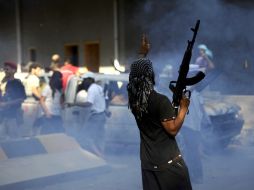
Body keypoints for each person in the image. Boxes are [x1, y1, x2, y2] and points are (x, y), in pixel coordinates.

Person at [127, 58, 192, 190]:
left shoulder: (135, 102)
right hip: (168, 165)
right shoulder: (160, 101)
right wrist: (183, 108)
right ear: (151, 76)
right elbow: (172, 129)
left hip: (148, 165)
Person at [78, 72, 106, 156]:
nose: (83, 82)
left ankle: (99, 155)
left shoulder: (91, 89)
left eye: (84, 80)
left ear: (89, 80)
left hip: (96, 116)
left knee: (86, 136)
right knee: (98, 137)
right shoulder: (98, 87)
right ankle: (101, 154)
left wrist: (75, 104)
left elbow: (89, 103)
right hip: (102, 115)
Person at [0, 62, 26, 139]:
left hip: (13, 115)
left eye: (7, 69)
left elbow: (22, 98)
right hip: (3, 115)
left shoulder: (16, 83)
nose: (5, 71)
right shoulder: (3, 82)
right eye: (4, 69)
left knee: (14, 138)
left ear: (13, 70)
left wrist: (7, 104)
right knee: (2, 138)